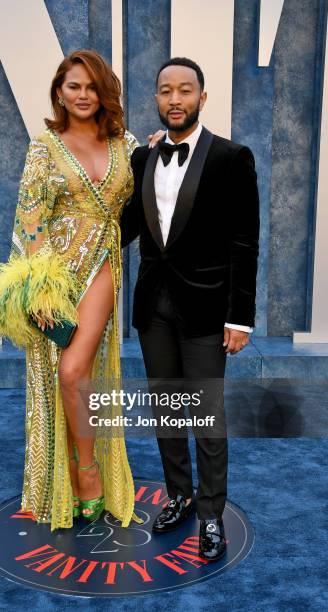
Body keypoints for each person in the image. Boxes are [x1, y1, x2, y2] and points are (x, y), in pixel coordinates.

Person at [0, 49, 156, 530]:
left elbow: (148, 196)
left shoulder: (126, 144)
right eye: (73, 86)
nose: (83, 95)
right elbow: (30, 218)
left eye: (92, 87)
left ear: (105, 93)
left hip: (101, 265)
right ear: (59, 90)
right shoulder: (44, 145)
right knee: (55, 373)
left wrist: (158, 152)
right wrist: (37, 291)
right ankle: (61, 477)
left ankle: (88, 469)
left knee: (75, 372)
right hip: (53, 277)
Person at [120, 57, 260, 561]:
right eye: (164, 91)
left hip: (206, 310)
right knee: (168, 410)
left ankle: (211, 515)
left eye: (184, 90)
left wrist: (239, 317)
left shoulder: (231, 157)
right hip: (153, 308)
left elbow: (245, 243)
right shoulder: (143, 157)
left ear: (202, 98)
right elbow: (130, 226)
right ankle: (178, 495)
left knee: (207, 416)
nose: (174, 99)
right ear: (156, 99)